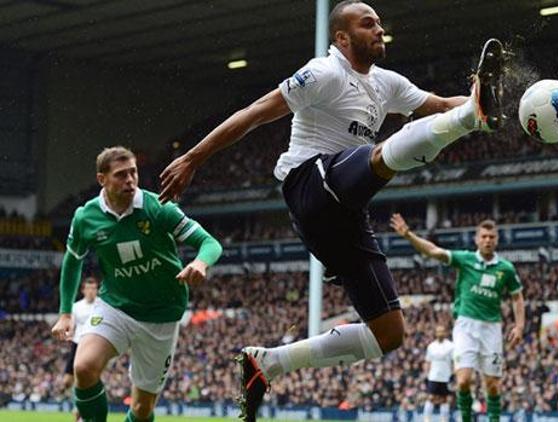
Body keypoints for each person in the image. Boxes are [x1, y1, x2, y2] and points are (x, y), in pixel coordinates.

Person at [157, 1, 515, 420]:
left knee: (389, 333)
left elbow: (437, 105)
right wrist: (194, 158)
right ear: (342, 38)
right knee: (378, 156)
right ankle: (472, 117)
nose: (379, 29)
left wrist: (479, 102)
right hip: (308, 185)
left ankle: (269, 362)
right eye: (368, 24)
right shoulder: (324, 73)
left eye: (380, 22)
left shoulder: (386, 82)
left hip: (344, 211)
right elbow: (255, 113)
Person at [50, 146, 222, 422]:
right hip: (116, 305)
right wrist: (65, 313)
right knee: (83, 367)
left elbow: (209, 243)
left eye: (133, 172)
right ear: (102, 179)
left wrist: (201, 262)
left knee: (142, 410)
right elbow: (73, 261)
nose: (130, 179)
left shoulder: (158, 206)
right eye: (120, 175)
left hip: (161, 314)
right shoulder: (86, 217)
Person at [390, 214, 525, 422]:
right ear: (476, 239)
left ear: (497, 240)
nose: (488, 240)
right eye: (484, 236)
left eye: (491, 237)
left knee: (492, 385)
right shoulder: (465, 259)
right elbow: (434, 251)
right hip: (465, 326)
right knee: (463, 380)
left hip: (492, 328)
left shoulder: (505, 268)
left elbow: (517, 298)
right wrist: (408, 235)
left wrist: (519, 326)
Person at [62, 276, 99, 422]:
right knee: (66, 381)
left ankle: (80, 410)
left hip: (92, 345)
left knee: (82, 380)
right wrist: (68, 333)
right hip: (77, 344)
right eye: (88, 288)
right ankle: (78, 405)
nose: (91, 291)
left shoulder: (101, 305)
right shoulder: (76, 306)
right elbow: (72, 325)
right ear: (83, 290)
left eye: (94, 288)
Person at [423, 325, 454, 422]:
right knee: (431, 397)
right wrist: (427, 374)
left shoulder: (451, 346)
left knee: (444, 399)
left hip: (446, 377)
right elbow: (427, 361)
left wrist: (452, 375)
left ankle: (444, 419)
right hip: (433, 376)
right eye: (438, 331)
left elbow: (454, 362)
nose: (440, 333)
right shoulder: (431, 346)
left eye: (442, 331)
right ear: (436, 333)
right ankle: (426, 419)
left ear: (445, 333)